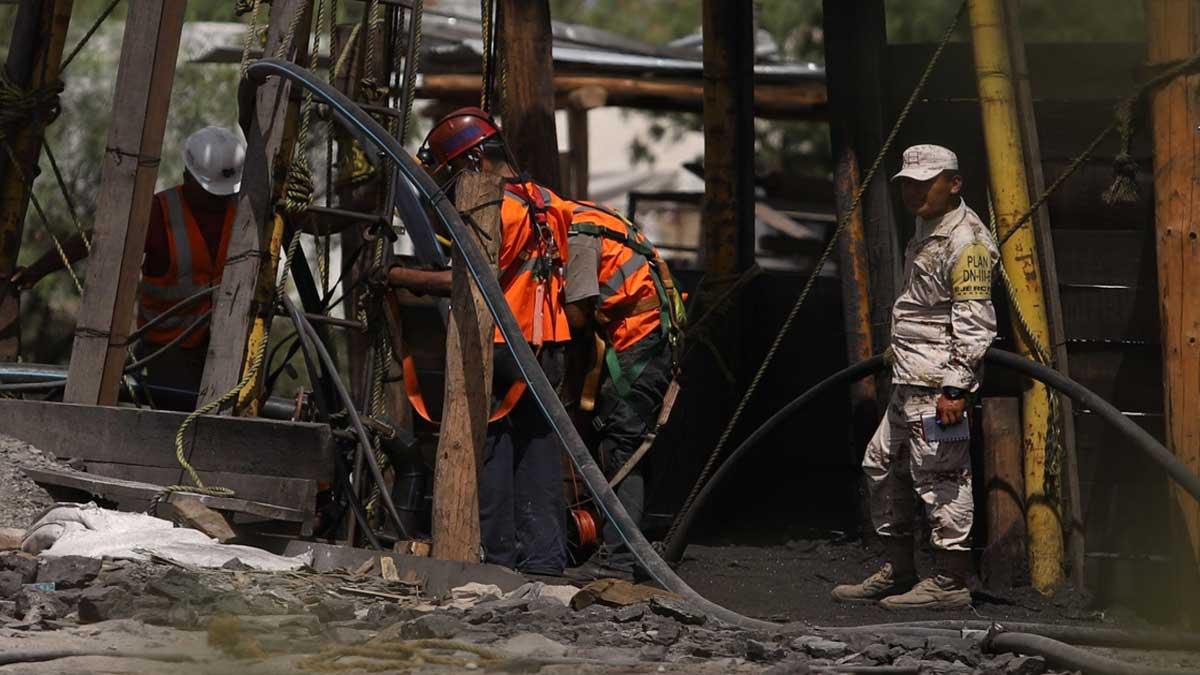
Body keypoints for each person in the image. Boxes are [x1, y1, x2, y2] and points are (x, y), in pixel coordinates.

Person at [386, 107, 572, 575]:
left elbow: (468, 280)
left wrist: (396, 275)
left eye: (452, 171)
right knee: (539, 453)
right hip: (549, 345)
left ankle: (496, 558)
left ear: (472, 165)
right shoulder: (548, 203)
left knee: (485, 447)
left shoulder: (494, 207)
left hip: (506, 346)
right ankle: (544, 560)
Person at [831, 144, 998, 610]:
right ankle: (900, 569)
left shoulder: (966, 243)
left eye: (926, 184)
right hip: (911, 379)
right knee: (881, 464)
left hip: (939, 387)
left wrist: (955, 387)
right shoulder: (929, 228)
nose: (914, 192)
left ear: (954, 184)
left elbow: (975, 320)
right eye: (909, 183)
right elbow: (928, 304)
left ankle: (949, 582)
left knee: (942, 477)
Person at [11, 127, 245, 410]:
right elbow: (96, 238)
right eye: (212, 194)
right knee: (182, 417)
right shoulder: (158, 215)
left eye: (223, 194)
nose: (218, 201)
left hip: (226, 343)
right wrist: (36, 271)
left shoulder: (242, 213)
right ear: (188, 176)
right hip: (169, 350)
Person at [561, 199, 682, 579]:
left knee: (622, 447)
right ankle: (623, 552)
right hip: (647, 338)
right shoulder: (592, 215)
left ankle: (621, 562)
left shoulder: (578, 234)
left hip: (641, 343)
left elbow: (578, 314)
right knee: (621, 444)